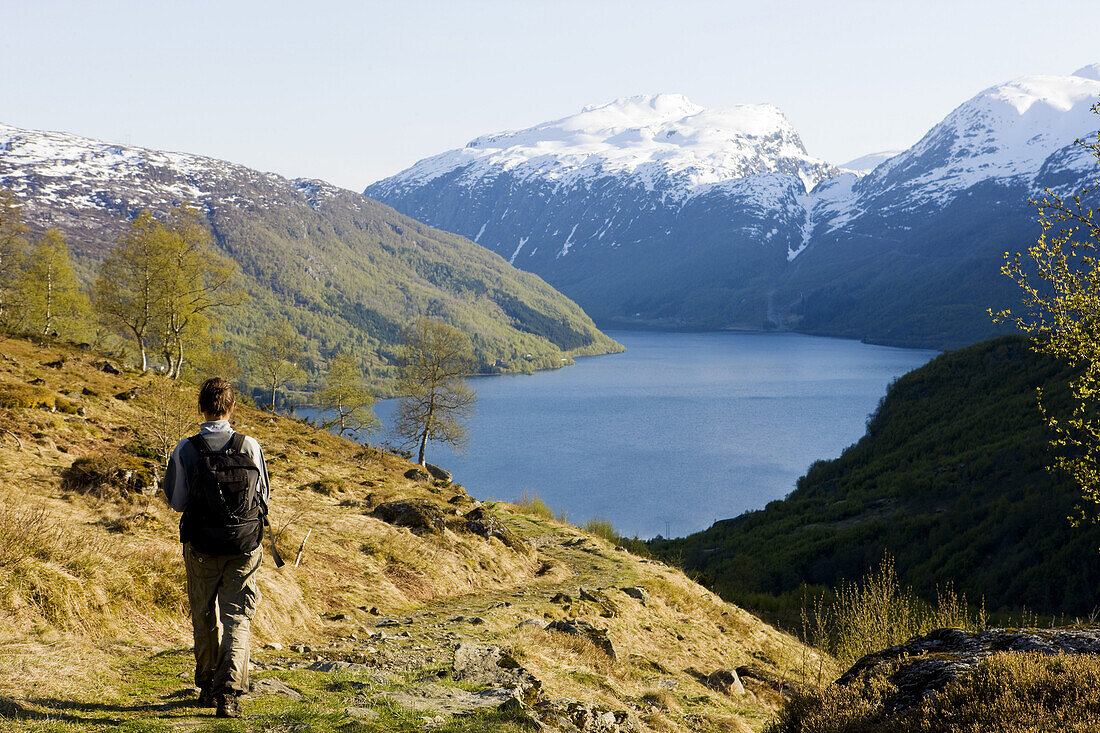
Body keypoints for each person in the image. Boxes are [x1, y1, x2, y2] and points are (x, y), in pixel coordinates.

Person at [162, 377, 278, 718]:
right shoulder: (250, 446)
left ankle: (208, 686)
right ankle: (230, 692)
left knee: (203, 616)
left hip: (200, 547)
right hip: (244, 546)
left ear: (201, 407)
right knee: (238, 617)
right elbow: (264, 496)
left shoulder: (185, 449)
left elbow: (177, 502)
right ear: (232, 408)